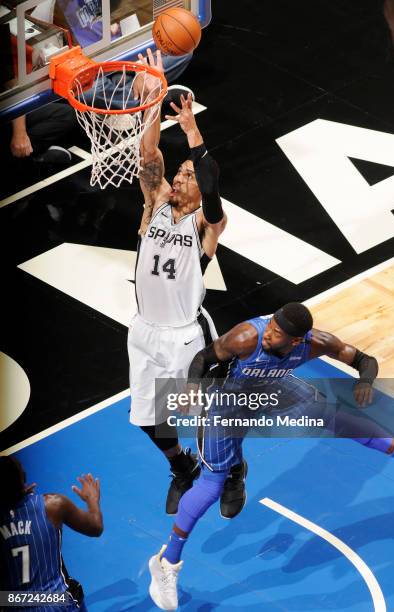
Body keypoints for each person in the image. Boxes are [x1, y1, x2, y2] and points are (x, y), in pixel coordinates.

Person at [148, 301, 394, 610]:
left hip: (273, 387)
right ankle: (167, 562)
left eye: (278, 332)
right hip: (227, 401)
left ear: (296, 340)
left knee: (331, 415)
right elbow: (203, 357)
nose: (269, 332)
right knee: (211, 485)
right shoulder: (246, 337)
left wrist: (364, 381)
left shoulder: (315, 343)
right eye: (271, 324)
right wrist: (191, 386)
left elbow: (365, 359)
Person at [127, 49, 229, 518]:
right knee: (147, 419)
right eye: (180, 173)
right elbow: (149, 156)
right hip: (144, 329)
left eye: (185, 174)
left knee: (205, 415)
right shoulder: (156, 204)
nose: (179, 177)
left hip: (185, 333)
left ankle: (230, 471)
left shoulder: (208, 225)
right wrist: (154, 97)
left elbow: (209, 184)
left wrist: (191, 131)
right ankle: (181, 467)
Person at [0, 456, 103, 611]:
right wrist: (92, 500)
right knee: (72, 591)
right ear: (23, 478)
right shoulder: (53, 505)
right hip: (59, 604)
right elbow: (95, 527)